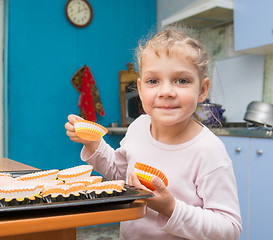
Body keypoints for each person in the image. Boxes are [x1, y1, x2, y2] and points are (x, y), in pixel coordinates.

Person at [65, 28, 242, 240]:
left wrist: (171, 208)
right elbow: (120, 174)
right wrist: (94, 144)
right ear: (140, 89)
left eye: (182, 80)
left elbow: (229, 229)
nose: (166, 91)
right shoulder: (138, 127)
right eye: (153, 81)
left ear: (203, 90)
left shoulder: (208, 151)